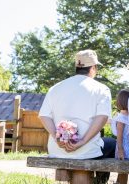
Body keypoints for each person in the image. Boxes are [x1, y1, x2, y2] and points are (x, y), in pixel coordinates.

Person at [39, 49, 116, 183]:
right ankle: (100, 182)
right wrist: (82, 141)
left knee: (104, 144)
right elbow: (102, 118)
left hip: (57, 150)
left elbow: (44, 116)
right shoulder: (101, 89)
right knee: (112, 143)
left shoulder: (56, 87)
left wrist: (58, 139)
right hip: (87, 151)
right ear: (93, 68)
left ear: (77, 67)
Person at [110, 89, 129, 184]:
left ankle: (119, 182)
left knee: (125, 170)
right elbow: (119, 136)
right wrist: (121, 150)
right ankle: (120, 182)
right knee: (123, 170)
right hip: (125, 148)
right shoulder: (121, 119)